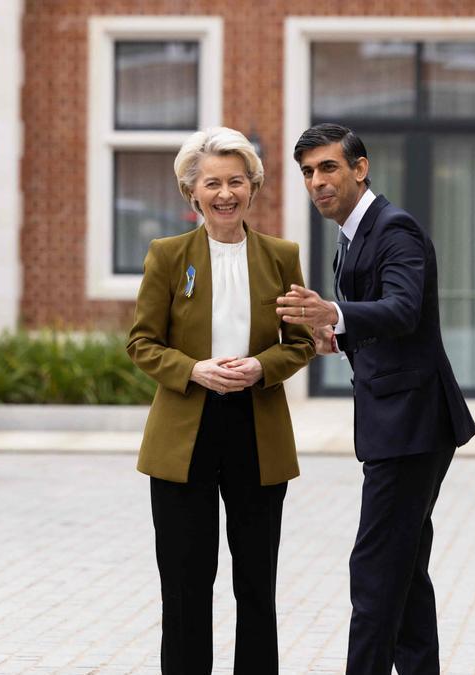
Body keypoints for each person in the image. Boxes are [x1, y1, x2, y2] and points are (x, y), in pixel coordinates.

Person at [277, 123, 475, 674]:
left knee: (374, 569)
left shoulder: (395, 230)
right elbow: (387, 327)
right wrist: (335, 338)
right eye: (308, 172)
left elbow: (403, 309)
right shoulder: (351, 236)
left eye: (328, 168)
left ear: (360, 168)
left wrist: (334, 313)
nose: (317, 182)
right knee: (404, 570)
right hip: (399, 423)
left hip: (413, 426)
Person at [126, 126, 315, 674]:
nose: (225, 193)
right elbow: (141, 343)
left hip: (258, 434)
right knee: (185, 585)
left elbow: (300, 343)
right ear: (193, 192)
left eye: (236, 181)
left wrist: (260, 366)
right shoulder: (166, 255)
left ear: (253, 188)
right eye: (213, 183)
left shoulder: (282, 256)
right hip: (183, 437)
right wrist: (194, 370)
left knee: (257, 583)